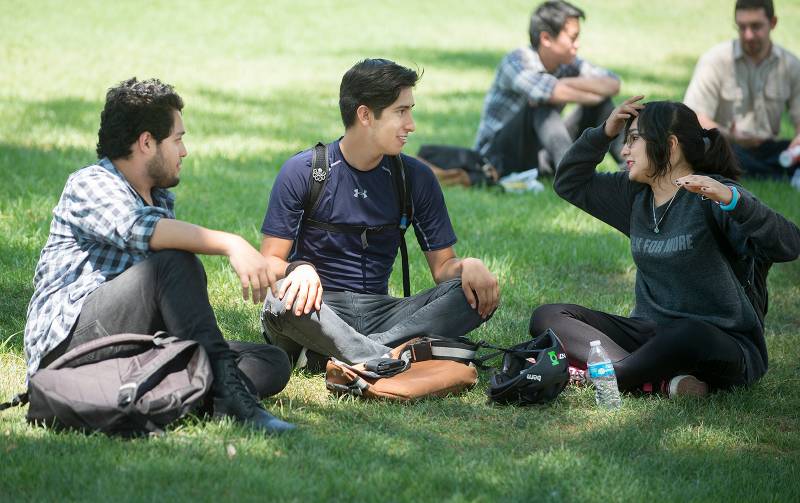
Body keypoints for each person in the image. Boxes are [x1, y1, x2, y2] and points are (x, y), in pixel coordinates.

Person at [23, 78, 295, 433]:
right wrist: (231, 243)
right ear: (146, 142)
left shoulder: (157, 197)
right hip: (66, 347)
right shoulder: (91, 183)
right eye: (178, 139)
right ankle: (229, 398)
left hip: (130, 341)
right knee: (173, 264)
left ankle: (177, 391)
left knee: (269, 360)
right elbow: (139, 229)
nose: (185, 151)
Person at [532, 96, 800, 396]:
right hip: (650, 334)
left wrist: (734, 202)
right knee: (548, 317)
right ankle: (658, 383)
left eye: (633, 140)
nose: (623, 150)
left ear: (670, 146)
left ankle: (611, 376)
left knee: (688, 334)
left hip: (720, 342)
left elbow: (788, 245)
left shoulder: (714, 195)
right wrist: (604, 131)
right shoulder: (634, 195)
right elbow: (569, 182)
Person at [260, 59, 499, 369]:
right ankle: (387, 355)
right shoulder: (304, 171)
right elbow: (269, 264)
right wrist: (298, 269)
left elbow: (444, 269)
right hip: (318, 307)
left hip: (383, 311)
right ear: (365, 115)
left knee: (469, 293)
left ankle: (340, 353)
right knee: (279, 300)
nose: (411, 124)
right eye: (401, 112)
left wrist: (469, 266)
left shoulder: (415, 177)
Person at [472, 0, 621, 180]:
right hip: (498, 158)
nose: (577, 45)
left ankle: (632, 169)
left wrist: (568, 83)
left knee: (602, 103)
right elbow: (550, 92)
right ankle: (573, 178)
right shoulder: (516, 61)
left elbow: (613, 83)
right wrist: (589, 91)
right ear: (546, 39)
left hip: (539, 155)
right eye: (573, 38)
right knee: (541, 104)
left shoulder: (567, 64)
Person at [683, 0, 800, 179]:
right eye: (742, 27)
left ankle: (763, 172)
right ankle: (778, 174)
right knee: (704, 150)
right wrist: (731, 135)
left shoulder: (790, 65)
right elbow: (693, 117)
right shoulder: (715, 60)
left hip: (770, 147)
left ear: (773, 23)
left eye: (756, 26)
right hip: (727, 145)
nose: (748, 35)